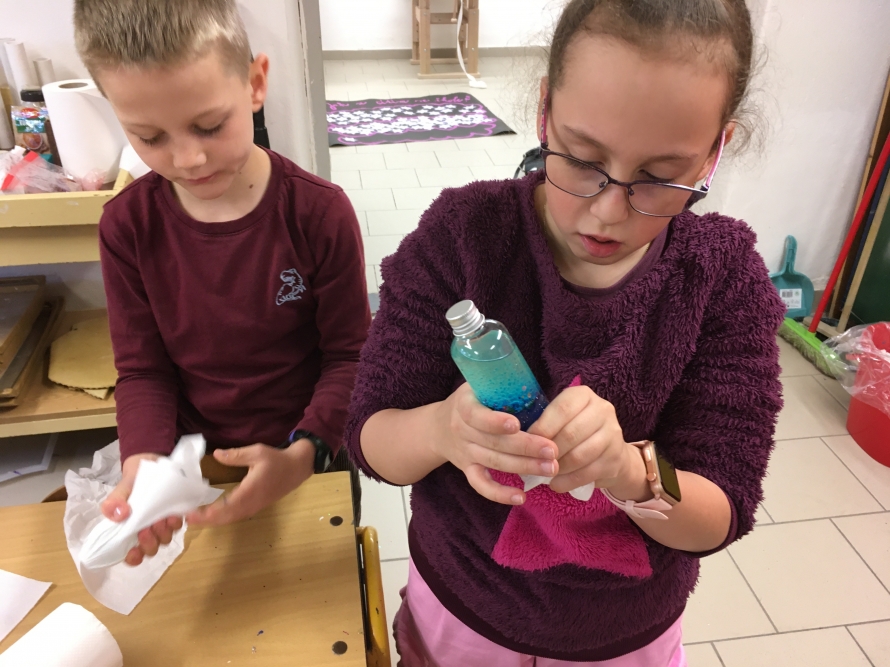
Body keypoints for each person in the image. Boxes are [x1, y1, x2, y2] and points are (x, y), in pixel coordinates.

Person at [344, 0, 785, 664]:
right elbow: (371, 436)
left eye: (659, 178)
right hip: (461, 610)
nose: (607, 212)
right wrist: (441, 430)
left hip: (626, 633)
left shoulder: (723, 278)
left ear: (713, 152)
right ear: (545, 110)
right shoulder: (462, 237)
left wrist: (629, 471)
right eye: (580, 159)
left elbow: (722, 509)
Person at [73, 0, 371, 566]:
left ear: (255, 84)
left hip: (310, 453)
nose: (188, 158)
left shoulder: (318, 214)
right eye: (149, 137)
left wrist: (303, 454)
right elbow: (143, 370)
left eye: (209, 126)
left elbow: (350, 356)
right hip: (196, 466)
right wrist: (144, 462)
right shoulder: (127, 227)